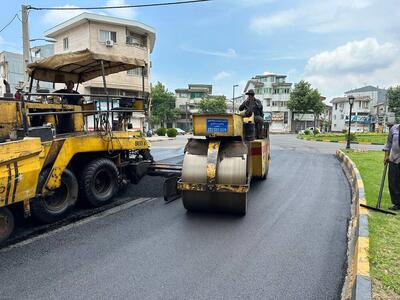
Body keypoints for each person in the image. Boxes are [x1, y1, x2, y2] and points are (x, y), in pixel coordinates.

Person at [383, 123, 400, 210]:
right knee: (393, 182)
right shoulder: (394, 129)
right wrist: (386, 156)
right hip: (393, 159)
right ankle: (397, 203)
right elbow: (389, 143)